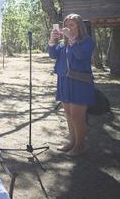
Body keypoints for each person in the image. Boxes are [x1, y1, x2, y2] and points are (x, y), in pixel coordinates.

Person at [48, 13, 95, 156]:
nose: (68, 28)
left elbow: (81, 55)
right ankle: (72, 141)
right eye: (66, 25)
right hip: (64, 81)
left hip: (80, 82)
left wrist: (72, 39)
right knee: (68, 114)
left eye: (71, 25)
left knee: (77, 116)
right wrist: (52, 40)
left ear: (79, 27)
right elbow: (52, 55)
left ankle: (80, 146)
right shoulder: (63, 44)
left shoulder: (87, 41)